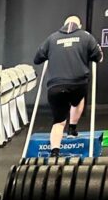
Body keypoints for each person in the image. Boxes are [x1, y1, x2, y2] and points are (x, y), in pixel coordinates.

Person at [33, 15, 102, 160]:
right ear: (80, 25)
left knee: (58, 121)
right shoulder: (86, 36)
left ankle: (54, 152)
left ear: (64, 24)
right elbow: (98, 57)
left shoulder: (52, 38)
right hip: (78, 84)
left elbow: (37, 59)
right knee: (78, 100)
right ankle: (72, 128)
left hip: (55, 85)